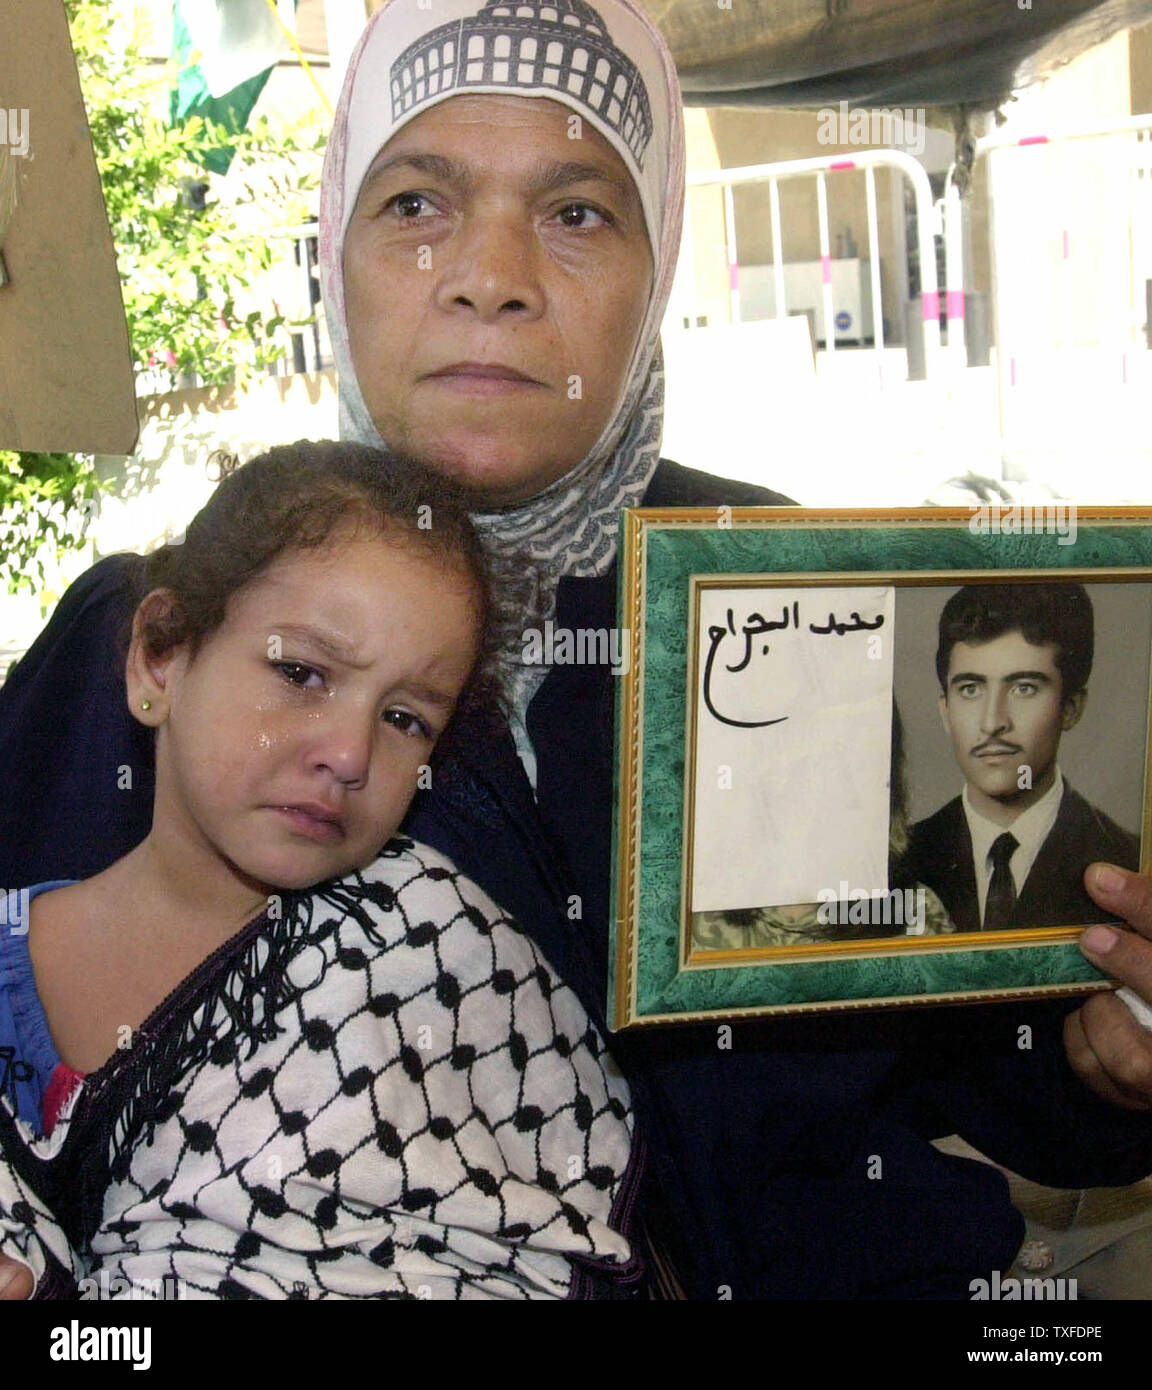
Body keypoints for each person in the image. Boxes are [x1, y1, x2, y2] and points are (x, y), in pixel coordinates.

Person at [4, 0, 1152, 1301]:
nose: (489, 274)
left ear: (656, 271)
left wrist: (1104, 1054)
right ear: (336, 249)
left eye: (576, 212)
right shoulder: (142, 646)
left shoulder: (793, 604)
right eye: (417, 204)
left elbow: (965, 1053)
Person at [0, 441, 641, 1300]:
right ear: (159, 657)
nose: (348, 754)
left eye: (406, 718)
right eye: (300, 673)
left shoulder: (426, 956)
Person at [907, 583, 1140, 933]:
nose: (993, 722)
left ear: (1071, 708)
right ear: (945, 711)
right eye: (970, 689)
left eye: (1024, 688)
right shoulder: (898, 865)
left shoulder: (1132, 861)